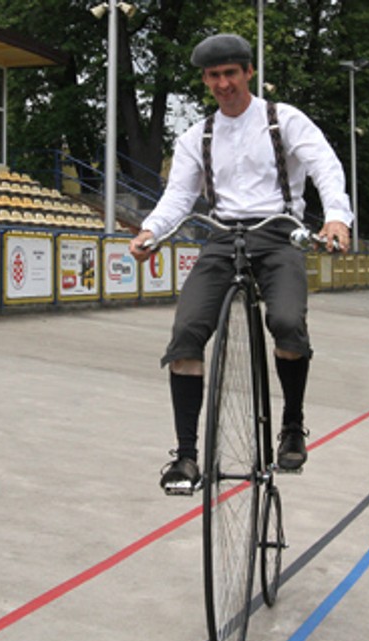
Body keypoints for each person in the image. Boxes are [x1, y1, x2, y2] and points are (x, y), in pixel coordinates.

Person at [129, 33, 352, 494]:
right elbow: (179, 196)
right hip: (223, 236)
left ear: (249, 72)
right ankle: (187, 457)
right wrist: (151, 230)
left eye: (231, 73)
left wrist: (336, 218)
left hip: (277, 234)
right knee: (186, 334)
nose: (223, 83)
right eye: (214, 76)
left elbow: (325, 167)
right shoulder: (198, 135)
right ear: (206, 80)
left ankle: (291, 425)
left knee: (288, 322)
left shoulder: (282, 120)